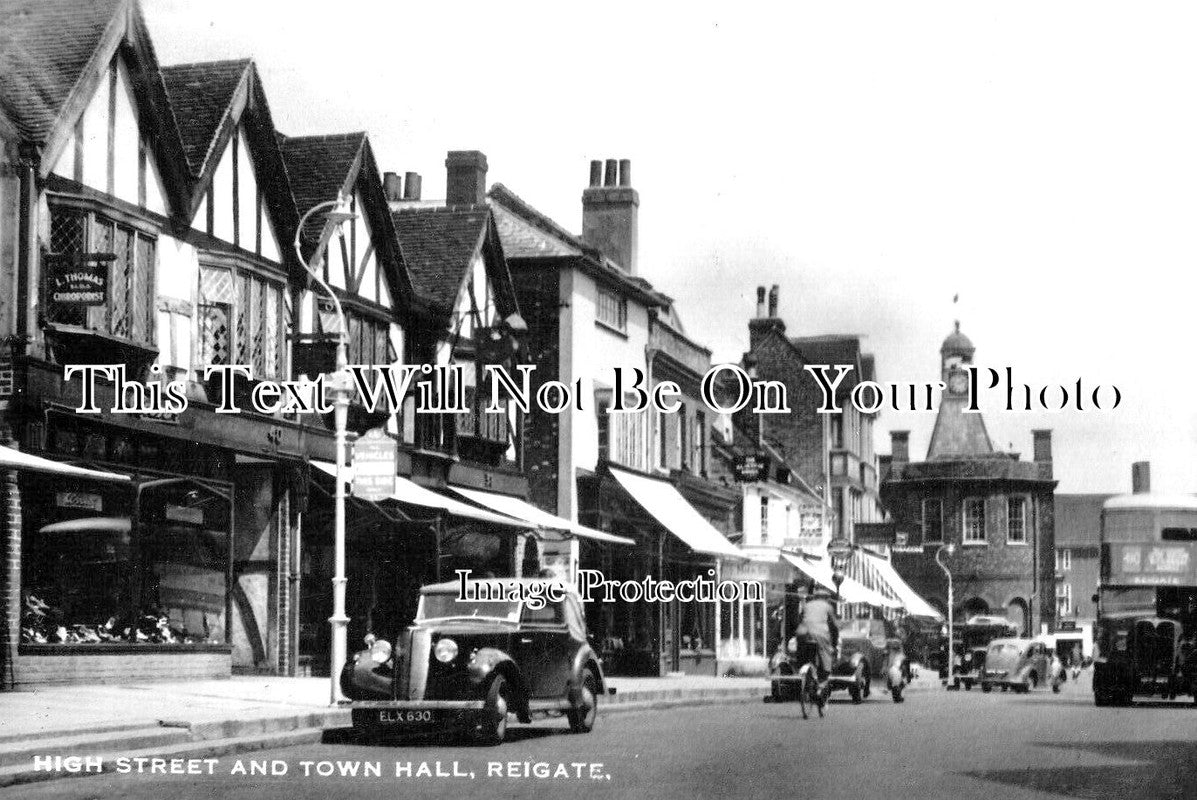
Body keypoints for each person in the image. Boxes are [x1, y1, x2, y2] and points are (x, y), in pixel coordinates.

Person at [794, 584, 840, 694]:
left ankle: (802, 667)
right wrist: (834, 642)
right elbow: (835, 625)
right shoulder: (827, 606)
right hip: (820, 633)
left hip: (802, 632)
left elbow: (800, 619)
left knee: (801, 652)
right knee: (825, 654)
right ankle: (822, 681)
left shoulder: (807, 605)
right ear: (826, 598)